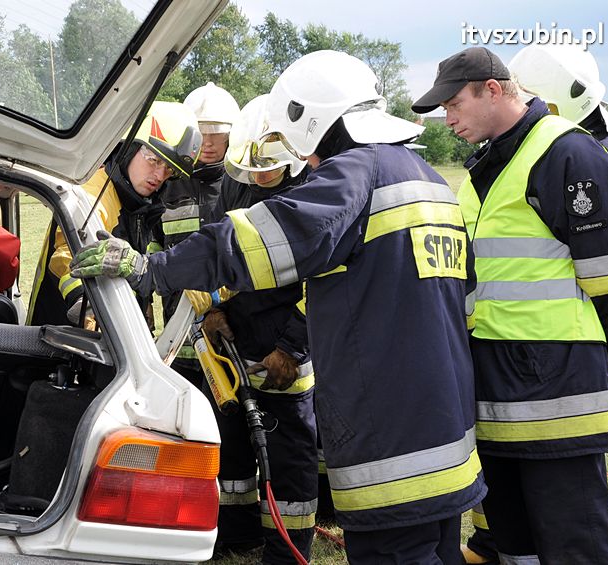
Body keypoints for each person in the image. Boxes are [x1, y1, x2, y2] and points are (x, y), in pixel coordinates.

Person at [70, 50, 485, 564]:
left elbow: (248, 244)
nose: (305, 162)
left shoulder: (354, 176)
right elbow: (465, 301)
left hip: (390, 447)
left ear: (310, 120)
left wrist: (149, 269)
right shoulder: (428, 179)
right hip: (447, 436)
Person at [412, 46, 608, 564]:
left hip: (557, 396)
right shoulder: (485, 165)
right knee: (513, 543)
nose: (448, 117)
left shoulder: (565, 153)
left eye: (454, 104)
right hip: (495, 390)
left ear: (493, 89)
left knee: (574, 543)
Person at [198, 94, 316, 564]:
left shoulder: (314, 192)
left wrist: (289, 347)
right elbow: (222, 251)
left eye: (268, 168)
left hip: (288, 344)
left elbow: (320, 285)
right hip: (237, 338)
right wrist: (213, 308)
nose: (259, 176)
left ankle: (287, 551)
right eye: (251, 168)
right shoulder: (238, 183)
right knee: (234, 447)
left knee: (287, 456)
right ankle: (238, 532)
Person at [26, 100, 201, 328]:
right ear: (129, 148)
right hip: (60, 339)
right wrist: (89, 308)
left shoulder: (142, 204)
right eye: (154, 160)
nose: (160, 175)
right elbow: (69, 255)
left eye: (170, 169)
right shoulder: (94, 194)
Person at [160, 82, 240, 387]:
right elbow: (157, 248)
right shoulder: (167, 185)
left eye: (216, 133)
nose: (208, 143)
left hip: (227, 336)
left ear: (231, 135)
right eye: (201, 133)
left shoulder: (239, 186)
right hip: (177, 336)